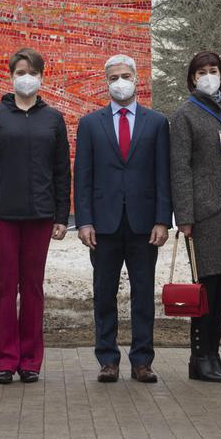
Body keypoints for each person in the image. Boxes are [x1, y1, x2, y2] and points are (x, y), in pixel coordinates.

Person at [0, 47, 71, 384]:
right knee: (4, 287)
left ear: (42, 76)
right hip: (1, 218)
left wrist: (61, 215)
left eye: (31, 72)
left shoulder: (53, 119)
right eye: (19, 72)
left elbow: (61, 171)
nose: (25, 77)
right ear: (11, 76)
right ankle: (3, 359)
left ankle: (30, 360)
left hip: (41, 217)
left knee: (33, 288)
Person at [73, 54, 171, 383]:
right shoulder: (89, 124)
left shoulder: (156, 122)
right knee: (104, 293)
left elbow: (163, 175)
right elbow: (82, 176)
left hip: (145, 224)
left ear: (137, 78)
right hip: (103, 224)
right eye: (113, 77)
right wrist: (84, 220)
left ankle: (142, 360)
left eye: (125, 75)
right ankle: (108, 359)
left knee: (143, 294)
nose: (119, 82)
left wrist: (162, 219)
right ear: (106, 82)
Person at [170, 50, 221, 383]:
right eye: (202, 72)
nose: (209, 76)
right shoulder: (185, 115)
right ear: (192, 78)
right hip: (202, 215)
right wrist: (184, 215)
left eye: (214, 70)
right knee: (206, 289)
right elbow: (180, 168)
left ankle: (213, 354)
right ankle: (199, 356)